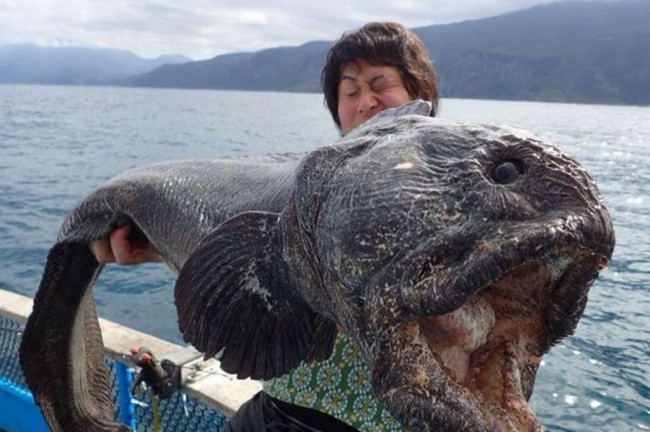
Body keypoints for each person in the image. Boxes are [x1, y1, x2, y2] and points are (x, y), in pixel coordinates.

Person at [92, 21, 439, 431]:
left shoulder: (450, 189)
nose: (365, 101)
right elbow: (263, 268)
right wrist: (159, 245)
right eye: (349, 91)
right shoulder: (307, 193)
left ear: (421, 94)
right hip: (275, 412)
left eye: (380, 83)